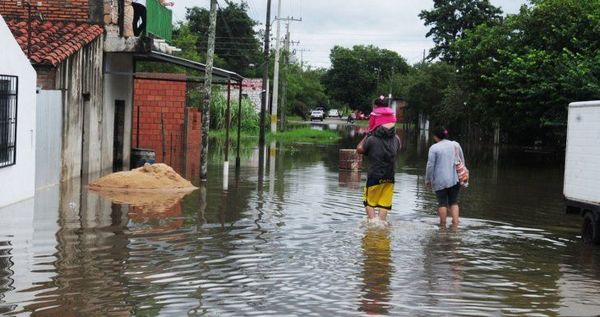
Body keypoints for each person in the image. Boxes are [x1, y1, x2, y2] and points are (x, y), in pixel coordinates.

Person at [356, 97, 401, 221]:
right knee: (384, 204)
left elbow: (359, 149)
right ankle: (381, 224)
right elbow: (397, 149)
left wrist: (367, 134)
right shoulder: (396, 139)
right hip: (390, 176)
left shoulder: (371, 139)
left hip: (375, 176)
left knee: (369, 203)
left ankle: (372, 223)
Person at [425, 127, 465, 227]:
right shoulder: (455, 144)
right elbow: (462, 161)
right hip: (455, 179)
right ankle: (455, 224)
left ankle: (442, 226)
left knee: (442, 202)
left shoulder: (434, 148)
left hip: (440, 180)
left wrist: (428, 179)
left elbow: (430, 165)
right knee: (454, 202)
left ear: (435, 137)